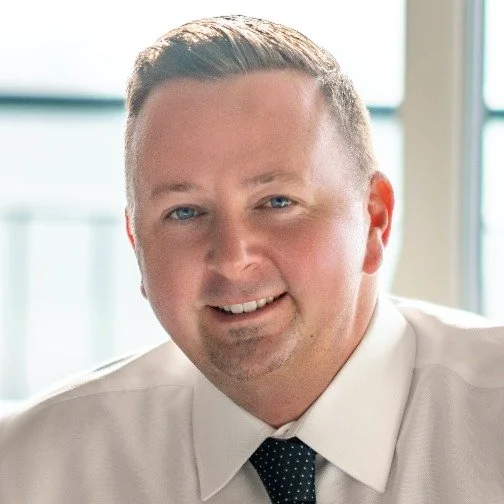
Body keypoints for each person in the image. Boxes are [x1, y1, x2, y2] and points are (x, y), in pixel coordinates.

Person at [1, 14, 503, 504]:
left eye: (277, 202)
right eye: (184, 212)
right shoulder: (27, 470)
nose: (231, 257)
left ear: (375, 220)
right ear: (137, 246)